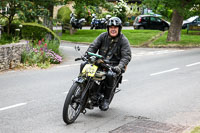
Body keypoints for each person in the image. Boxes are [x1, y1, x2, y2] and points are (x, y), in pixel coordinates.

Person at [86, 17, 132, 111]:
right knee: (84, 65)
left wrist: (119, 67)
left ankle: (106, 100)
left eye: (115, 27)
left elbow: (126, 56)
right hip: (101, 62)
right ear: (108, 28)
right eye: (111, 27)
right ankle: (83, 88)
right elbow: (93, 46)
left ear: (119, 28)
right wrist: (88, 55)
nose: (113, 29)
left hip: (114, 66)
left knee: (110, 75)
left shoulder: (123, 40)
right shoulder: (102, 36)